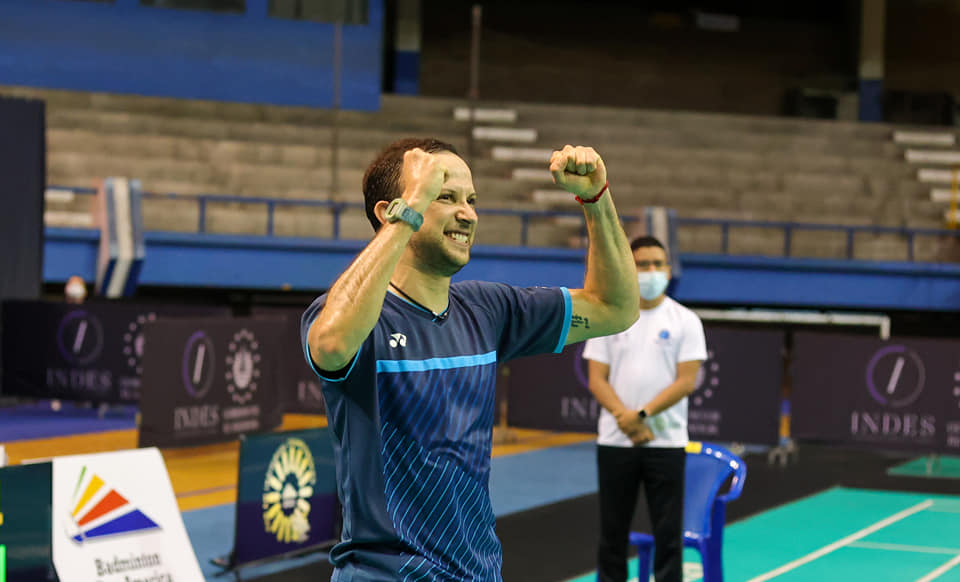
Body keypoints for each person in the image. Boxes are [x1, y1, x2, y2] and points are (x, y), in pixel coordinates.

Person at [301, 138, 639, 581]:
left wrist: (596, 198)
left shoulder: (487, 309)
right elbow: (329, 345)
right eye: (445, 196)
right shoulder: (356, 317)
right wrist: (412, 209)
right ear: (389, 212)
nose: (468, 214)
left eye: (471, 200)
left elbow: (616, 307)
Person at [582, 235, 706, 582]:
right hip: (615, 442)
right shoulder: (610, 317)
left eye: (657, 264)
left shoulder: (686, 321)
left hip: (665, 443)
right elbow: (597, 379)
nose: (651, 271)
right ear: (630, 269)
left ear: (668, 269)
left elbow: (686, 381)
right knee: (612, 534)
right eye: (642, 264)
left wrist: (641, 416)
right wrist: (626, 420)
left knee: (668, 535)